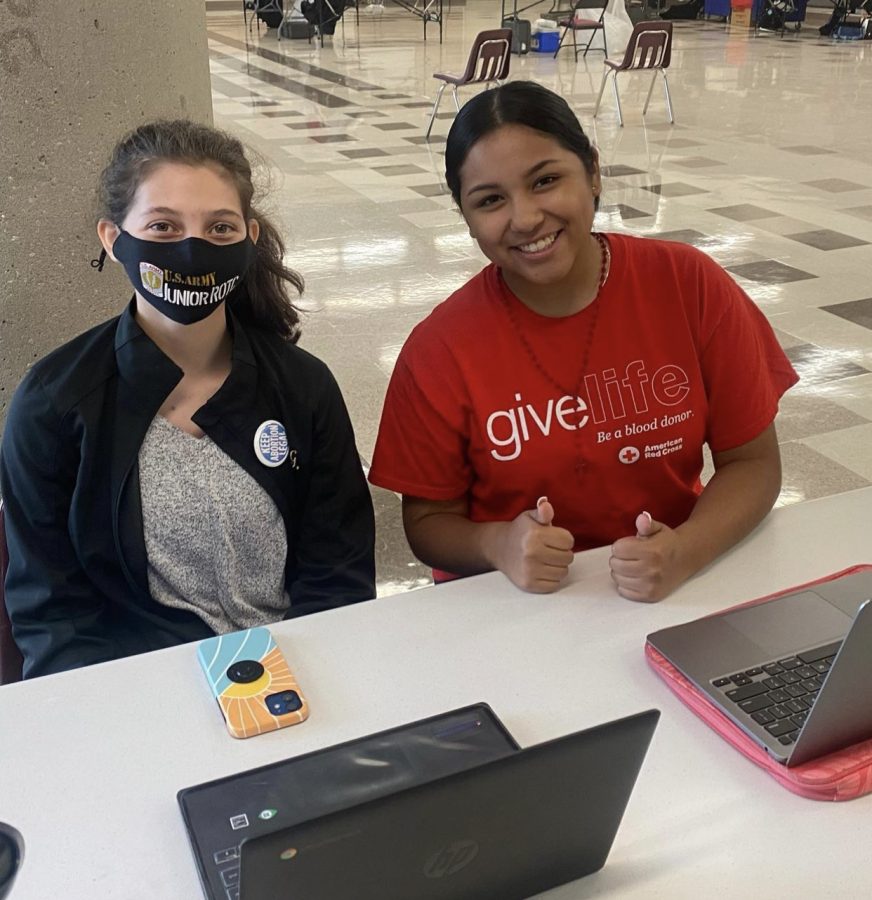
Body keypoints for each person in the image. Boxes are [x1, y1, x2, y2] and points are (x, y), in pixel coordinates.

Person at [368, 81, 798, 602]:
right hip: (513, 610)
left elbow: (752, 463)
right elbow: (428, 521)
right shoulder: (438, 350)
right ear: (466, 217)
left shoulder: (689, 286)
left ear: (592, 172)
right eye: (490, 200)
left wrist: (684, 551)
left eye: (546, 180)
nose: (525, 219)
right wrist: (496, 543)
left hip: (674, 588)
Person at [0, 120, 375, 679]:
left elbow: (338, 576)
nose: (192, 249)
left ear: (249, 238)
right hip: (141, 695)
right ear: (112, 237)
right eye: (162, 225)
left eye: (219, 228)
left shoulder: (303, 387)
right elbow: (54, 615)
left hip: (299, 679)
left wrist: (307, 689)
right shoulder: (55, 404)